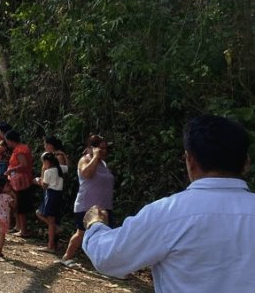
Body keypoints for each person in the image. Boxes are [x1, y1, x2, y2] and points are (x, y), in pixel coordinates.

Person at [83, 115, 255, 291]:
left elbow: (109, 257)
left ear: (190, 160)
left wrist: (95, 225)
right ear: (246, 163)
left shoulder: (167, 213)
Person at [60, 134, 114, 267]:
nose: (104, 151)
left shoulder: (104, 164)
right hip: (87, 205)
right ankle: (67, 257)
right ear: (91, 148)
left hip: (104, 206)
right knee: (82, 232)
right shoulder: (85, 159)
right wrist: (95, 156)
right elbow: (87, 174)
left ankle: (107, 265)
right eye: (100, 148)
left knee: (107, 234)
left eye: (105, 149)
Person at [4, 129, 34, 237]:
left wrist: (11, 170)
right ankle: (19, 226)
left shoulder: (20, 149)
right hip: (18, 180)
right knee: (18, 203)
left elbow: (23, 164)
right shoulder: (20, 148)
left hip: (22, 181)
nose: (7, 144)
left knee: (21, 204)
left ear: (11, 140)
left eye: (7, 141)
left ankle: (23, 230)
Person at [35, 152, 65, 252]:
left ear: (47, 162)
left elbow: (44, 185)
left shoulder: (49, 171)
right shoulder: (60, 169)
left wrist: (40, 176)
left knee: (49, 221)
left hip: (51, 195)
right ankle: (53, 243)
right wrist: (64, 156)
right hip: (58, 195)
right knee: (50, 218)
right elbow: (67, 167)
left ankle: (50, 245)